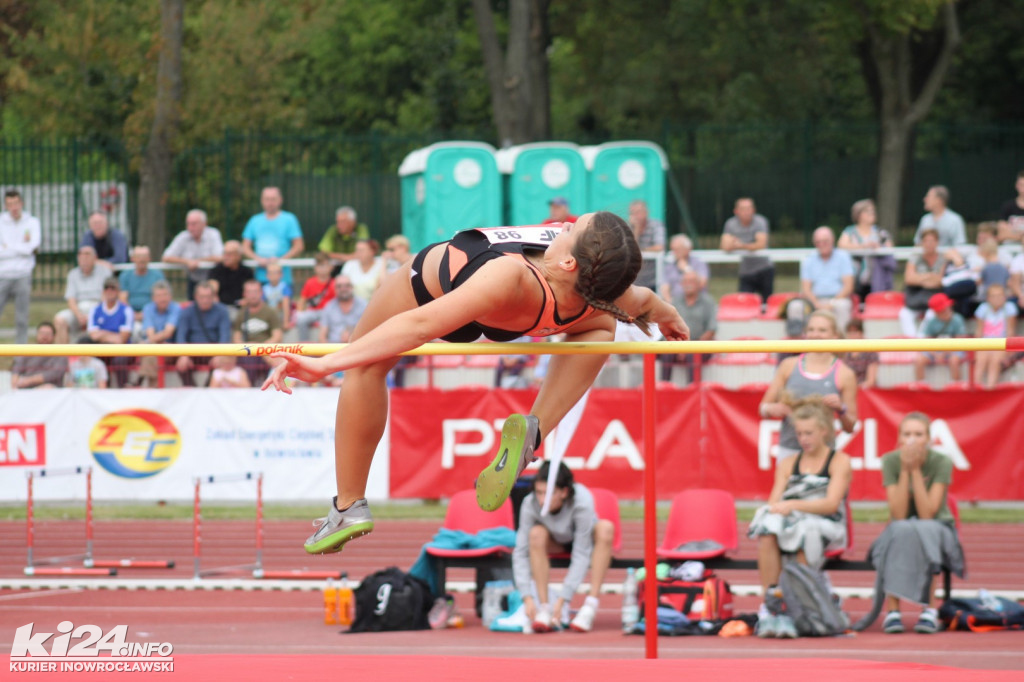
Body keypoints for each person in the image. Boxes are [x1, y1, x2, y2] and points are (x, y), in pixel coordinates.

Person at [261, 212, 689, 555]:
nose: (561, 224)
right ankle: (534, 430)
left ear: (568, 260)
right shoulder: (610, 293)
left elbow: (419, 324)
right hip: (541, 310)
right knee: (600, 329)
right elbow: (649, 303)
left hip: (437, 290)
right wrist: (672, 319)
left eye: (571, 228)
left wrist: (325, 364)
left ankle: (348, 506)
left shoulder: (509, 276)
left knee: (366, 369)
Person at [748, 397, 852, 638]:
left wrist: (793, 504)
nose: (803, 439)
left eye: (809, 433)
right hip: (792, 522)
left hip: (828, 524)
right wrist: (782, 510)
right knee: (767, 529)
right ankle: (772, 603)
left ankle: (803, 604)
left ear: (824, 432)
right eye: (799, 433)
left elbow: (830, 504)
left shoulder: (839, 461)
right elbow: (774, 502)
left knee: (806, 531)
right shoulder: (787, 463)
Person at [863, 412, 962, 635]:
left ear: (928, 439)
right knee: (900, 530)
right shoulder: (890, 460)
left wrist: (915, 469)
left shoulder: (941, 462)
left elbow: (928, 513)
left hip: (937, 527)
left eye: (918, 434)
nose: (912, 440)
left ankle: (928, 609)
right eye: (907, 434)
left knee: (923, 531)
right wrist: (905, 470)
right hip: (902, 528)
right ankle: (893, 611)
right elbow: (898, 513)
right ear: (899, 438)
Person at [513, 461, 613, 633]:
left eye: (549, 493)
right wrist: (526, 596)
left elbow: (582, 553)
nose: (542, 500)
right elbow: (520, 551)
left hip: (585, 539)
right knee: (535, 534)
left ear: (564, 492)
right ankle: (544, 607)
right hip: (555, 541)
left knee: (606, 529)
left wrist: (563, 599)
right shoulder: (529, 503)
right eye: (539, 492)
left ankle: (590, 605)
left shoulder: (582, 500)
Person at [759, 310, 858, 459]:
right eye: (811, 330)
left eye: (822, 330)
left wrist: (841, 409)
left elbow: (850, 427)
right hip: (790, 450)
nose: (815, 335)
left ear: (835, 335)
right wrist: (773, 408)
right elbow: (763, 408)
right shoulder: (788, 365)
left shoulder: (845, 374)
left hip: (824, 454)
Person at [898, 228, 961, 337]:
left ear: (937, 242)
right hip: (917, 298)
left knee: (932, 314)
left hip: (934, 298)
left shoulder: (943, 257)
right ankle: (913, 343)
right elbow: (909, 279)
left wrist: (920, 278)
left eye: (932, 241)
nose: (929, 244)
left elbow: (940, 281)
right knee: (904, 314)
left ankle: (922, 342)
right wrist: (929, 276)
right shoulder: (915, 258)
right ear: (922, 243)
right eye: (926, 241)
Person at [0, 189, 41, 344]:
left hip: (23, 274)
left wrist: (7, 247)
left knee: (22, 318)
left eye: (16, 203)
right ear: (6, 205)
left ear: (21, 203)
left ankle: (21, 355)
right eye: (10, 204)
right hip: (2, 274)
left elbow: (33, 247)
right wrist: (22, 248)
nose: (14, 207)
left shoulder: (32, 222)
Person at [660, 269, 716, 382]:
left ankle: (693, 390)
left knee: (693, 355)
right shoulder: (675, 301)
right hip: (678, 344)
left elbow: (711, 329)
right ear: (681, 284)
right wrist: (680, 347)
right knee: (666, 353)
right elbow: (669, 326)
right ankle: (664, 388)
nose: (688, 284)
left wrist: (690, 347)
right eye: (685, 281)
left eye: (691, 281)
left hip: (699, 345)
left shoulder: (708, 302)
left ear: (699, 284)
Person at [242, 186, 304, 286]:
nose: (270, 203)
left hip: (283, 277)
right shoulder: (254, 221)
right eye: (267, 199)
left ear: (280, 200)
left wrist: (280, 261)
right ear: (262, 201)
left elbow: (298, 246)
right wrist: (258, 259)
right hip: (260, 277)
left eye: (273, 199)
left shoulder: (289, 219)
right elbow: (245, 247)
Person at [174, 281, 232, 386]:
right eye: (202, 297)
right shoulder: (187, 311)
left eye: (208, 297)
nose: (205, 300)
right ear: (195, 296)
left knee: (222, 363)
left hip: (214, 351)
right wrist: (183, 355)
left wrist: (220, 355)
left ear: (214, 296)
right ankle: (192, 391)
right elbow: (181, 335)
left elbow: (225, 335)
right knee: (181, 365)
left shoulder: (222, 311)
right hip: (192, 351)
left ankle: (207, 391)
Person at [53, 246, 113, 344]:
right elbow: (71, 299)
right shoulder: (73, 274)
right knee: (60, 319)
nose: (84, 258)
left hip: (99, 309)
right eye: (80, 255)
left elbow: (107, 296)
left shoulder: (104, 272)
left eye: (87, 255)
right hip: (78, 309)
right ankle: (63, 357)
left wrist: (93, 314)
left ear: (95, 258)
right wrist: (79, 315)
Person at [838, 198, 896, 298]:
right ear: (858, 214)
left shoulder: (880, 232)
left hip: (876, 277)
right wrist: (864, 246)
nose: (872, 213)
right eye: (868, 211)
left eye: (873, 210)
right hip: (855, 277)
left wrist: (878, 248)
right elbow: (841, 245)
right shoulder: (850, 231)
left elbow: (889, 248)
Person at [800, 226, 855, 330]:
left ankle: (841, 342)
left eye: (825, 241)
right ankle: (797, 343)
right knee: (796, 307)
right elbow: (806, 289)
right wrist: (816, 303)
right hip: (814, 300)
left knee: (842, 306)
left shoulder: (843, 257)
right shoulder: (808, 260)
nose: (821, 244)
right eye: (818, 242)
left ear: (832, 240)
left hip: (838, 299)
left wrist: (832, 303)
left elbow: (848, 286)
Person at [162, 209, 224, 300]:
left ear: (204, 224)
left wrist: (197, 262)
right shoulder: (183, 236)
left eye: (194, 224)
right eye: (188, 224)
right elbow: (166, 257)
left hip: (212, 280)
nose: (190, 227)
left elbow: (220, 257)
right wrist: (187, 262)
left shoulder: (213, 235)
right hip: (193, 281)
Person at [720, 197, 773, 302]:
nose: (746, 212)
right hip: (746, 271)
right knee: (744, 302)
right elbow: (724, 246)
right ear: (736, 211)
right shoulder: (731, 224)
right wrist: (747, 246)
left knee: (767, 303)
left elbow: (761, 244)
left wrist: (739, 245)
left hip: (765, 268)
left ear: (754, 210)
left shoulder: (760, 222)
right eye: (743, 209)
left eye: (749, 208)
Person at [85, 277, 134, 387]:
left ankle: (122, 389)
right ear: (103, 291)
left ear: (118, 292)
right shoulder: (96, 310)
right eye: (107, 288)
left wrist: (101, 333)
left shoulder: (125, 310)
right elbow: (93, 336)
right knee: (88, 349)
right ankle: (99, 389)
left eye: (113, 288)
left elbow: (122, 339)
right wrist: (112, 336)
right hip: (102, 348)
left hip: (121, 350)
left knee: (119, 360)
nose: (109, 291)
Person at [234, 279, 283, 385]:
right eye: (250, 292)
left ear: (261, 293)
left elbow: (277, 336)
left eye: (255, 292)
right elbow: (236, 338)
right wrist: (248, 347)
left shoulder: (270, 311)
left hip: (267, 352)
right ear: (244, 294)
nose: (253, 295)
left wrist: (261, 348)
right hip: (248, 353)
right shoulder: (241, 314)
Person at [913, 293, 967, 385]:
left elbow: (960, 341)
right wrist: (935, 354)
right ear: (936, 312)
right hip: (936, 350)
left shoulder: (957, 319)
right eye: (943, 310)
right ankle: (921, 386)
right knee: (919, 360)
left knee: (954, 360)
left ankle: (956, 386)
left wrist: (945, 352)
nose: (947, 311)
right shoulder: (932, 322)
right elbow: (927, 341)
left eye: (947, 308)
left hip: (953, 349)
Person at [972, 284, 1017, 389]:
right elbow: (979, 331)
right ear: (988, 298)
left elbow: (1010, 331)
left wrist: (1009, 350)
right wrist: (975, 349)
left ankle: (990, 389)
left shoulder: (1009, 308)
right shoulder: (983, 309)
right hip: (985, 344)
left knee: (995, 361)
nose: (997, 299)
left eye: (1000, 296)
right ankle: (976, 389)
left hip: (1001, 343)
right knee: (980, 360)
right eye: (994, 296)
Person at [137, 281, 181, 387]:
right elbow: (151, 335)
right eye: (159, 295)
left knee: (148, 350)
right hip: (155, 349)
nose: (162, 299)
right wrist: (152, 341)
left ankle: (139, 381)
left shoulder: (176, 308)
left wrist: (149, 341)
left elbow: (168, 333)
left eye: (165, 295)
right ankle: (153, 389)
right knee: (151, 354)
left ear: (170, 296)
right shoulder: (148, 308)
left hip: (172, 349)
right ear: (153, 298)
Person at [118, 246, 165, 333]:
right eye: (139, 256)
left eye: (144, 257)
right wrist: (132, 315)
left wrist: (145, 314)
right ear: (133, 259)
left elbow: (160, 298)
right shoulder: (125, 276)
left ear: (149, 258)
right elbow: (123, 299)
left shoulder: (157, 275)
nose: (142, 260)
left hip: (153, 313)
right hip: (130, 314)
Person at [293, 253, 336, 341]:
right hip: (313, 312)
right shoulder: (310, 282)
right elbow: (302, 300)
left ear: (331, 267)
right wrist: (299, 313)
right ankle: (304, 344)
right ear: (315, 268)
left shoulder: (334, 283)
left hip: (329, 312)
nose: (322, 269)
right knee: (301, 319)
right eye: (320, 265)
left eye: (325, 265)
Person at [11, 322, 68, 389]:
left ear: (54, 336)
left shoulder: (59, 353)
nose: (44, 336)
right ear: (37, 334)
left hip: (50, 392)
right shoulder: (27, 352)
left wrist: (29, 381)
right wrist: (15, 382)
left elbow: (54, 374)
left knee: (48, 388)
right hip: (26, 390)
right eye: (42, 333)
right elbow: (16, 369)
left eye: (48, 334)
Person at [627, 200, 665, 291]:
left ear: (646, 212)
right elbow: (630, 249)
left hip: (653, 278)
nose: (636, 216)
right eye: (633, 213)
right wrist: (636, 230)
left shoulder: (656, 225)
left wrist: (641, 250)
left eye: (639, 212)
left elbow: (659, 247)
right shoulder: (628, 227)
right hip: (634, 280)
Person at [660, 234, 708, 302]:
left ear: (688, 249)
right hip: (675, 304)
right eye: (673, 249)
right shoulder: (669, 267)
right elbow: (664, 289)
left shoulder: (699, 263)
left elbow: (702, 284)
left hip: (697, 303)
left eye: (677, 249)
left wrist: (686, 269)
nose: (674, 253)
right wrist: (671, 305)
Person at [208, 240, 255, 311]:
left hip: (241, 309)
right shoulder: (217, 270)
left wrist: (246, 300)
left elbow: (251, 291)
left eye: (229, 254)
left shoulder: (246, 272)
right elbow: (212, 288)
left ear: (238, 256)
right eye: (224, 253)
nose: (225, 257)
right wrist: (213, 295)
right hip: (221, 308)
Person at [319, 275, 367, 344]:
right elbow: (321, 337)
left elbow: (371, 333)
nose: (343, 289)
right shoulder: (329, 307)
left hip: (358, 348)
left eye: (347, 285)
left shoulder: (363, 305)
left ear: (352, 287)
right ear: (334, 289)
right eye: (339, 286)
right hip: (333, 350)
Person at [843, 319, 879, 390]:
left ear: (861, 332)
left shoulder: (870, 350)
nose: (852, 335)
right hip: (848, 388)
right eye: (850, 332)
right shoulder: (844, 350)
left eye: (855, 331)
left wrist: (855, 388)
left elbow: (871, 381)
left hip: (865, 390)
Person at [996, 170, 1024, 244]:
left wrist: (1012, 233)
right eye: (1021, 185)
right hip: (1009, 249)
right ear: (1017, 185)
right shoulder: (1008, 206)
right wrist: (1021, 237)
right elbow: (1001, 235)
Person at [262, 262, 292, 330]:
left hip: (280, 313)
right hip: (269, 313)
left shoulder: (284, 287)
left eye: (275, 273)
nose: (273, 275)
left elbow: (286, 304)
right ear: (267, 275)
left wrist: (286, 321)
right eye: (270, 273)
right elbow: (262, 304)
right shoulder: (264, 288)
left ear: (281, 274)